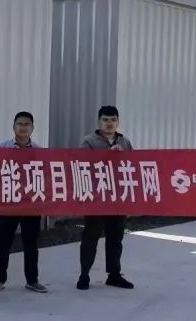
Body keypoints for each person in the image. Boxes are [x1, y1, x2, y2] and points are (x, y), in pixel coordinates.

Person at [0, 111, 48, 293]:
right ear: (13, 127)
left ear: (32, 128)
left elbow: (44, 176)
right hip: (8, 202)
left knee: (31, 243)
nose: (23, 128)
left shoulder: (39, 151)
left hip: (31, 204)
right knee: (3, 242)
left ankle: (32, 280)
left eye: (27, 124)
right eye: (20, 124)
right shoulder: (2, 148)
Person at [77, 105, 135, 291]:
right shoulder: (89, 142)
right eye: (105, 120)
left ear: (118, 121)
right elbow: (82, 165)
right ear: (99, 121)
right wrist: (107, 156)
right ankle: (84, 274)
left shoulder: (125, 142)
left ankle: (114, 274)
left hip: (118, 198)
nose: (109, 123)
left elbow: (133, 165)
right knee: (91, 237)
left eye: (113, 120)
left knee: (115, 238)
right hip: (97, 198)